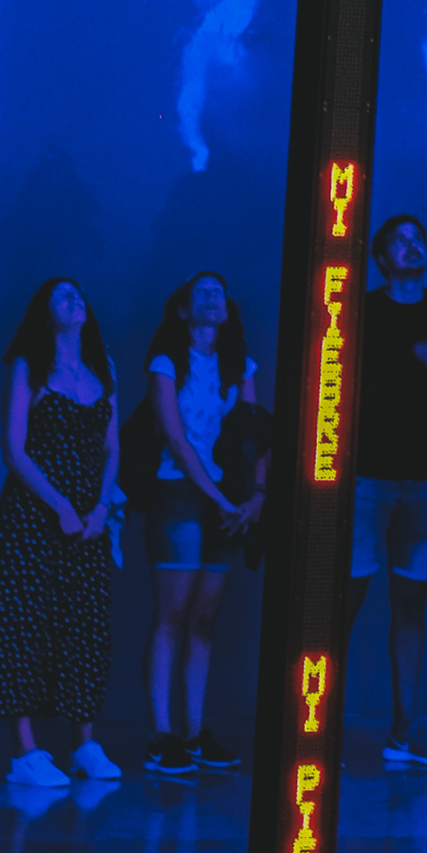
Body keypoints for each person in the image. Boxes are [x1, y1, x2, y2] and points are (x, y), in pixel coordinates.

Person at [0, 274, 120, 805]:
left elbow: (112, 449)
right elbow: (14, 449)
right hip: (34, 513)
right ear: (45, 311)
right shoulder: (28, 366)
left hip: (90, 517)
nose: (75, 300)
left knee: (84, 625)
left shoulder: (103, 367)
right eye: (62, 295)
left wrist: (100, 506)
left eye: (79, 293)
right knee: (22, 623)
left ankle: (84, 743)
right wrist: (61, 507)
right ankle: (25, 751)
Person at [350, 210, 427, 770]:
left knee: (411, 606)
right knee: (341, 605)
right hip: (364, 480)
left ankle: (402, 734)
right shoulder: (359, 310)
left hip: (426, 480)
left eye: (418, 237)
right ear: (381, 258)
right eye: (400, 239)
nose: (412, 244)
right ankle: (315, 726)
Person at [138, 271, 260, 780]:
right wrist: (221, 499)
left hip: (226, 501)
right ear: (184, 309)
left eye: (219, 292)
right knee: (171, 614)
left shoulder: (241, 366)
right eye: (201, 292)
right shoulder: (167, 363)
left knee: (205, 619)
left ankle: (193, 731)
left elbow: (254, 436)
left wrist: (255, 496)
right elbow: (175, 438)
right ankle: (162, 735)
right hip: (179, 495)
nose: (213, 296)